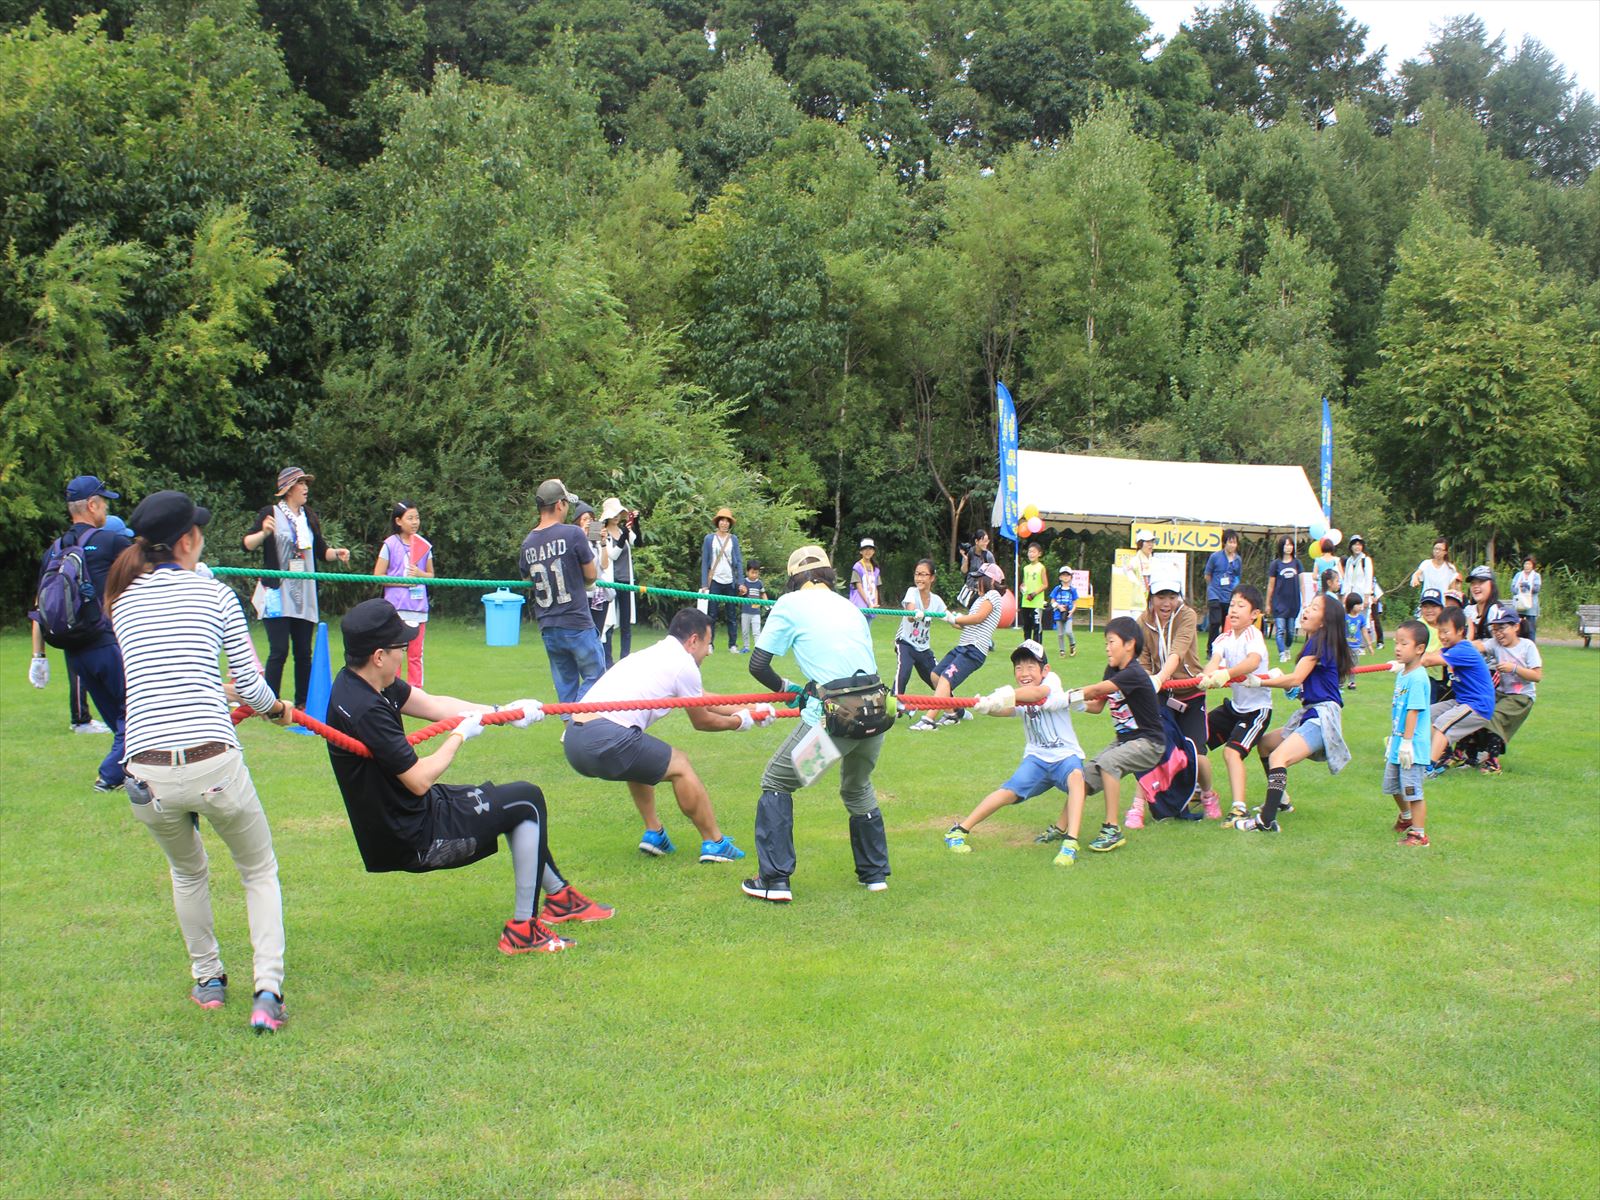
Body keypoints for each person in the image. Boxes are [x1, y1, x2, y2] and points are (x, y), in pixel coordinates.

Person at [105, 490, 295, 1033]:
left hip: (144, 771)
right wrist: (277, 709)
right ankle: (267, 992)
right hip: (215, 764)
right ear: (187, 540)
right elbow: (255, 692)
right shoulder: (215, 595)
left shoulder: (122, 600)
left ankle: (209, 980)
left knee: (187, 870)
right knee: (258, 870)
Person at [326, 598, 612, 955]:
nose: (406, 653)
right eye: (402, 647)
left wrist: (504, 713)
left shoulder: (359, 682)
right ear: (379, 655)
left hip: (404, 817)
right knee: (527, 801)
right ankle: (523, 930)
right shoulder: (367, 709)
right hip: (414, 836)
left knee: (512, 803)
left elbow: (430, 704)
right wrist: (459, 736)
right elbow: (417, 779)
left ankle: (560, 899)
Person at [562, 607, 770, 862]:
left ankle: (654, 834)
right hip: (605, 738)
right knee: (680, 764)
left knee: (639, 760)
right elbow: (701, 720)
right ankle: (714, 843)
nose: (708, 652)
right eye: (709, 644)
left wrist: (753, 709)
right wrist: (739, 723)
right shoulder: (684, 664)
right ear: (694, 641)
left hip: (574, 741)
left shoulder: (655, 654)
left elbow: (700, 698)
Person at [743, 545, 891, 902]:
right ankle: (874, 875)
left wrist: (786, 688)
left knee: (777, 780)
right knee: (857, 787)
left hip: (836, 723)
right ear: (828, 575)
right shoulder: (850, 606)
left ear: (794, 579)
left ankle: (774, 880)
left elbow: (758, 665)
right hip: (876, 712)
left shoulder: (789, 604)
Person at [30, 475, 133, 791]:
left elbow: (39, 605)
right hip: (106, 644)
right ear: (92, 505)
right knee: (135, 717)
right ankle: (109, 776)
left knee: (119, 721)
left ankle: (128, 774)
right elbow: (150, 575)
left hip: (75, 654)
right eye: (104, 502)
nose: (105, 508)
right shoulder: (111, 542)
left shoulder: (55, 549)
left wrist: (39, 657)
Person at [942, 640, 1085, 861]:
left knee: (1076, 778)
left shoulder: (1052, 682)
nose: (1024, 673)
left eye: (1030, 667)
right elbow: (1009, 709)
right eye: (1019, 668)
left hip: (1065, 756)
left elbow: (1037, 694)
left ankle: (1071, 843)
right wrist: (987, 707)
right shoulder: (1021, 695)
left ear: (1044, 670)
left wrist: (1002, 696)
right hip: (1036, 759)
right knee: (1007, 793)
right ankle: (959, 830)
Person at [1036, 616, 1164, 855]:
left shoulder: (1133, 673)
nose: (1106, 647)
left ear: (1129, 644)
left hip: (1149, 743)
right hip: (1124, 741)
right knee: (1083, 779)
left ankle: (1112, 829)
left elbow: (1095, 690)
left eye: (1111, 641)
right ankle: (1061, 827)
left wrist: (1063, 697)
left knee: (1107, 764)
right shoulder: (1113, 670)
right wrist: (1075, 705)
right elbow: (1096, 704)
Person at [1229, 592, 1355, 834]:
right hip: (1311, 712)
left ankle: (1266, 822)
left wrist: (1259, 682)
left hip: (1321, 718)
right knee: (1265, 745)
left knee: (1278, 758)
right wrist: (1292, 688)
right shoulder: (1319, 641)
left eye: (1315, 608)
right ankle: (1282, 801)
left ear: (1325, 620)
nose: (1306, 610)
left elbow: (1297, 677)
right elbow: (1305, 684)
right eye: (1309, 605)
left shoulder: (1318, 641)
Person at [242, 466, 351, 709]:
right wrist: (264, 532)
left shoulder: (309, 516)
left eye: (306, 483)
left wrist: (338, 553)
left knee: (304, 652)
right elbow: (247, 544)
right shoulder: (269, 513)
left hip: (305, 594)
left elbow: (322, 552)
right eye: (301, 483)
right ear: (289, 488)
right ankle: (269, 703)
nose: (306, 488)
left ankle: (303, 702)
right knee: (279, 650)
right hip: (277, 593)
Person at [1131, 568, 1215, 824]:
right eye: (1160, 596)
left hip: (1190, 695)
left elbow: (1177, 651)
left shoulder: (1187, 615)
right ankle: (1137, 807)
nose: (1166, 602)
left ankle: (1208, 795)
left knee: (1196, 755)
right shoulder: (1142, 621)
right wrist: (1149, 681)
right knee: (1152, 749)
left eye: (1171, 595)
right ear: (1151, 596)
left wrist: (1159, 678)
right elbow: (1142, 658)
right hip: (1160, 696)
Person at [518, 479, 603, 712]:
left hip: (548, 624)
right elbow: (591, 575)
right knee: (596, 675)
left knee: (565, 682)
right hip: (575, 620)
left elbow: (527, 579)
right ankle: (576, 723)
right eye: (567, 504)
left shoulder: (527, 543)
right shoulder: (573, 534)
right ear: (559, 505)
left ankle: (568, 728)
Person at [1197, 585, 1271, 824]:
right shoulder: (1223, 638)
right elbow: (1213, 662)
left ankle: (1239, 807)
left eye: (1241, 606)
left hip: (1256, 711)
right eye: (1232, 605)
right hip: (1234, 708)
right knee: (1197, 738)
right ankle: (1199, 791)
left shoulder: (1254, 636)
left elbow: (1252, 663)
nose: (1234, 610)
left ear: (1254, 614)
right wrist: (1206, 678)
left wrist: (1226, 674)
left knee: (1232, 752)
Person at [908, 563, 1003, 731]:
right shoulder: (980, 599)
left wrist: (957, 619)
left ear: (990, 581)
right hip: (963, 646)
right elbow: (966, 624)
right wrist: (950, 619)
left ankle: (929, 720)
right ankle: (953, 714)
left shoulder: (993, 595)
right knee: (936, 675)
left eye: (979, 579)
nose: (975, 583)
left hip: (974, 650)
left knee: (945, 679)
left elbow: (978, 618)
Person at [1419, 606, 1497, 781]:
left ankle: (1428, 768)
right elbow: (1431, 654)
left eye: (1446, 631)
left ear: (1460, 631)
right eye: (1439, 632)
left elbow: (1430, 660)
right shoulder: (1450, 649)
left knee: (1441, 725)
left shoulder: (1463, 649)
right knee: (1426, 714)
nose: (1442, 636)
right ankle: (1429, 757)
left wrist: (1407, 660)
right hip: (1462, 702)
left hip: (1477, 706)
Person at [1383, 620, 1432, 847]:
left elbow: (1413, 711)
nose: (1398, 648)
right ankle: (1406, 818)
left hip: (1411, 746)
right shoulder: (1404, 674)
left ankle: (1419, 835)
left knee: (1413, 791)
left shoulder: (1418, 677)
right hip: (1398, 741)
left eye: (1404, 643)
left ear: (1419, 649)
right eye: (1396, 643)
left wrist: (1407, 743)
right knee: (1393, 786)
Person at [373, 500, 433, 686]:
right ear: (398, 521)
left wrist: (419, 575)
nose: (415, 522)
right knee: (394, 651)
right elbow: (378, 575)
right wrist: (403, 582)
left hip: (418, 609)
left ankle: (416, 693)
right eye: (410, 518)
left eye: (417, 518)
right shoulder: (390, 545)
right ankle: (393, 689)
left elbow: (431, 576)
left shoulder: (424, 546)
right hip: (396, 609)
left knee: (415, 655)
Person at [1479, 602, 1542, 773]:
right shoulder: (1495, 644)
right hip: (1501, 693)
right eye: (1495, 629)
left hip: (1522, 697)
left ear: (1516, 626)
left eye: (1502, 628)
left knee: (1494, 716)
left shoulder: (1527, 646)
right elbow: (1477, 646)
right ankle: (1467, 755)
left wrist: (1513, 668)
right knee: (1476, 709)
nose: (1498, 634)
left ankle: (1493, 763)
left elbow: (1537, 676)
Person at [893, 559, 947, 694]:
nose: (919, 578)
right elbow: (910, 615)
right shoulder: (912, 591)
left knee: (938, 680)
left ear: (932, 577)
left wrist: (964, 622)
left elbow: (951, 619)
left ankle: (956, 710)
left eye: (923, 575)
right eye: (917, 574)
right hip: (905, 643)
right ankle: (893, 705)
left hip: (924, 649)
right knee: (903, 673)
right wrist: (915, 613)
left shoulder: (937, 601)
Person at [600, 498, 641, 660]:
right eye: (614, 514)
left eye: (619, 514)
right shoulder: (603, 533)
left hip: (625, 580)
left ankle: (625, 658)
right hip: (610, 581)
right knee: (608, 622)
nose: (617, 517)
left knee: (625, 624)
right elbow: (613, 555)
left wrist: (636, 523)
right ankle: (607, 660)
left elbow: (638, 542)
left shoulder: (624, 530)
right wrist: (623, 536)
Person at [699, 506, 744, 652]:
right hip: (715, 581)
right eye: (722, 521)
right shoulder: (709, 539)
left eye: (727, 521)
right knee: (711, 615)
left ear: (730, 524)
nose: (724, 523)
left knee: (731, 615)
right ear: (717, 522)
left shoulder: (734, 540)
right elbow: (705, 562)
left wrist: (741, 582)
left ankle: (732, 644)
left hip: (730, 581)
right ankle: (709, 644)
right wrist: (704, 584)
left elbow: (738, 562)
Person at [1265, 536, 1305, 665]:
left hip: (1293, 602)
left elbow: (1302, 583)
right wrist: (1268, 603)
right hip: (1279, 602)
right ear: (1281, 547)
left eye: (1290, 545)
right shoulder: (1275, 564)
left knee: (1291, 630)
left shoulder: (1297, 563)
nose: (1288, 547)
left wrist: (1304, 600)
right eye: (1286, 545)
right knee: (1280, 629)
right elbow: (1271, 585)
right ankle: (1282, 653)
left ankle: (1287, 648)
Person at [1203, 529, 1243, 654]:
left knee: (1227, 624)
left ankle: (1224, 649)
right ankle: (1211, 649)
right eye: (1230, 542)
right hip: (1214, 593)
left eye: (1234, 542)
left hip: (1229, 595)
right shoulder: (1215, 556)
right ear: (1224, 543)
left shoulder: (1238, 560)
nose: (1232, 545)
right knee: (1215, 622)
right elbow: (1207, 575)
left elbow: (1237, 577)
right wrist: (1212, 587)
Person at [1342, 535, 1381, 646]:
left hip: (1361, 594)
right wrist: (1345, 595)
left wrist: (1366, 596)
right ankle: (1350, 642)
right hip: (1351, 595)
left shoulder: (1366, 560)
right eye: (1355, 544)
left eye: (1359, 544)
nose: (1357, 547)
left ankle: (1363, 644)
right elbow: (1347, 579)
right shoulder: (1349, 561)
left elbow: (1368, 578)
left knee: (1363, 619)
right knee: (1350, 619)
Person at [1409, 538, 1461, 604]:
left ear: (1445, 552)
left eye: (1440, 549)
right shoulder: (1426, 563)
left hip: (1442, 603)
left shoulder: (1450, 568)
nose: (1437, 551)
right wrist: (1415, 579)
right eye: (1435, 548)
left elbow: (1452, 589)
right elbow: (1416, 574)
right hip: (1426, 601)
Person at [1461, 565, 1501, 642]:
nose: (1476, 586)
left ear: (1492, 585)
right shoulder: (1468, 610)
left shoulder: (1497, 611)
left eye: (1481, 582)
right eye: (1473, 583)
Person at [957, 529, 996, 608]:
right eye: (983, 541)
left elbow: (994, 574)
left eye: (987, 541)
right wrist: (966, 559)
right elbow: (964, 571)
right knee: (971, 614)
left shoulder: (988, 556)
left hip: (982, 591)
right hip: (970, 589)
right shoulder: (970, 553)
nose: (986, 543)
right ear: (976, 541)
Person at [1018, 541, 1047, 642]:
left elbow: (1045, 584)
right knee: (1026, 626)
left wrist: (1034, 593)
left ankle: (1037, 648)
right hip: (1026, 601)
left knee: (1036, 626)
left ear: (1039, 554)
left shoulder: (1041, 567)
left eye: (1033, 552)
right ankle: (1027, 646)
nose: (1031, 554)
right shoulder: (1026, 568)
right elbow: (1024, 583)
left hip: (1036, 602)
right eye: (1029, 552)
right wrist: (1022, 587)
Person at [1049, 566, 1079, 657]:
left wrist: (1071, 611)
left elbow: (1075, 603)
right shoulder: (1057, 589)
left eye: (1067, 575)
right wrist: (1058, 606)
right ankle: (1062, 650)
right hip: (1058, 614)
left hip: (1068, 615)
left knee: (1069, 632)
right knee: (1060, 634)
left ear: (1071, 577)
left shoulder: (1072, 590)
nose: (1065, 577)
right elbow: (1052, 601)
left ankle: (1072, 644)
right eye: (1063, 575)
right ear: (1060, 577)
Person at [1123, 529, 1156, 611]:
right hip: (1138, 605)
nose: (1150, 545)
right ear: (1140, 544)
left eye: (1152, 542)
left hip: (1153, 603)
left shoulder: (1155, 561)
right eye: (1147, 542)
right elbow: (1127, 572)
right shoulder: (1134, 560)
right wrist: (1138, 584)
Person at [739, 559, 767, 653]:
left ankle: (757, 648)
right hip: (745, 611)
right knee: (745, 631)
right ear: (747, 572)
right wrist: (742, 591)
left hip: (756, 612)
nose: (754, 575)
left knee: (756, 631)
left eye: (756, 573)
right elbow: (740, 594)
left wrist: (767, 605)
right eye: (752, 572)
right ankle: (746, 647)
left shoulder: (759, 583)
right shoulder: (744, 582)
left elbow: (763, 594)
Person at [1511, 555, 1541, 641]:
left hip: (1531, 605)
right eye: (1525, 564)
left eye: (1529, 564)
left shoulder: (1536, 576)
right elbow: (1513, 588)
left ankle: (1531, 644)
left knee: (1531, 627)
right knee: (1518, 625)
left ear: (1532, 566)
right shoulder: (1518, 575)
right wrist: (1519, 589)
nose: (1526, 566)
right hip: (1519, 604)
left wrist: (1527, 587)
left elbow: (1537, 589)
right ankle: (1517, 643)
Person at [849, 538, 881, 619]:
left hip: (871, 602)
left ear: (873, 551)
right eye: (865, 549)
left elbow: (876, 587)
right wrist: (868, 603)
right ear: (861, 551)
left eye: (870, 549)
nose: (868, 551)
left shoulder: (876, 568)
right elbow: (859, 587)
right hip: (860, 603)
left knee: (868, 629)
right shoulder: (857, 567)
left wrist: (875, 602)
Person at [1344, 593, 1375, 676]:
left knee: (1354, 665)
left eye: (1360, 604)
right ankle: (1341, 682)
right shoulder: (1345, 617)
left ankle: (1352, 682)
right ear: (1351, 605)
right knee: (1343, 664)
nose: (1360, 607)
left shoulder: (1361, 618)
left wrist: (1369, 646)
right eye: (1358, 605)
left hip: (1356, 646)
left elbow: (1364, 632)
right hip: (1345, 646)